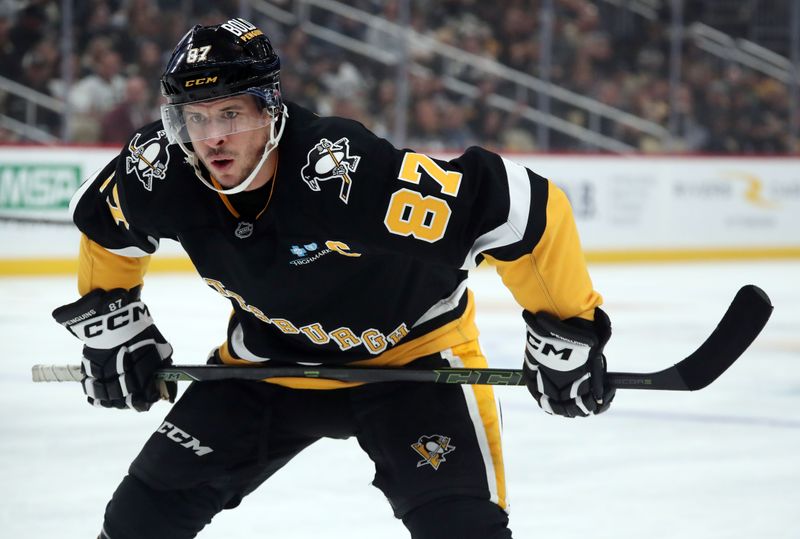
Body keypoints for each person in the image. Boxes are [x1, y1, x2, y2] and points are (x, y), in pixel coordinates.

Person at [52, 17, 615, 538]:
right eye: (195, 118)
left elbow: (520, 208)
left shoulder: (343, 172)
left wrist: (568, 329)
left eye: (231, 114)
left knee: (464, 531)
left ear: (271, 108)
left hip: (412, 362)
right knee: (134, 521)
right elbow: (105, 224)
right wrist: (116, 325)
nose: (212, 138)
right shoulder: (160, 169)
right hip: (265, 367)